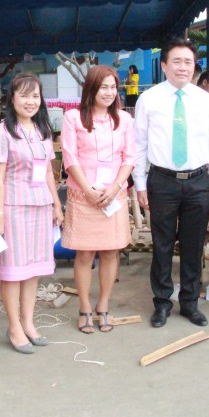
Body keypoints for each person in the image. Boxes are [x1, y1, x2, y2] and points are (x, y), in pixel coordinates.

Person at [133, 37, 209, 328]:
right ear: (164, 66)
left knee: (193, 245)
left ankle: (190, 302)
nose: (183, 67)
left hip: (198, 181)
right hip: (162, 181)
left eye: (188, 62)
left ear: (194, 66)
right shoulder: (149, 99)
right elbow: (139, 145)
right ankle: (162, 303)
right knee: (161, 245)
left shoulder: (204, 100)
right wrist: (140, 184)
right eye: (177, 61)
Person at [0, 72, 62, 354]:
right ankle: (14, 327)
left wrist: (56, 204)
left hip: (41, 207)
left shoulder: (43, 130)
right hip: (14, 208)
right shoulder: (2, 133)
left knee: (33, 271)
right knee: (13, 272)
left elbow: (49, 173)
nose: (30, 101)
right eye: (24, 95)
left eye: (35, 96)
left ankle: (28, 323)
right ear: (12, 98)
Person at [60, 65, 134, 334]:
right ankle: (84, 308)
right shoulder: (73, 118)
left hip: (113, 196)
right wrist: (88, 189)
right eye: (103, 87)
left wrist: (115, 188)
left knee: (111, 251)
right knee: (85, 253)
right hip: (83, 196)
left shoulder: (124, 120)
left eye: (113, 87)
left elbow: (129, 158)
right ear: (91, 88)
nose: (109, 92)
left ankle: (103, 306)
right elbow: (70, 157)